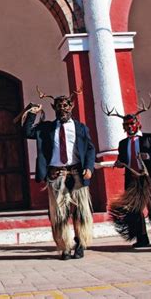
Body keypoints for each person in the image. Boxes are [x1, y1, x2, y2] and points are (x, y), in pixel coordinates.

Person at [21, 86, 95, 260]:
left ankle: (80, 243)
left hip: (77, 173)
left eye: (66, 106)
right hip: (56, 175)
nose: (63, 109)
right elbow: (27, 132)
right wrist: (32, 113)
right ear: (54, 108)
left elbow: (90, 149)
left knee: (80, 211)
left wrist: (90, 168)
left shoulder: (81, 128)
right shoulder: (46, 129)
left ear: (72, 107)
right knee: (59, 213)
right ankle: (64, 246)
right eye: (59, 106)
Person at [103, 96, 151, 247]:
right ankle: (141, 238)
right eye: (126, 125)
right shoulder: (123, 143)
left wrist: (149, 155)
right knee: (134, 211)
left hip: (150, 179)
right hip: (133, 180)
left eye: (131, 123)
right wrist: (119, 163)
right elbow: (122, 159)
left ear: (138, 124)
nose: (129, 127)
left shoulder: (148, 138)